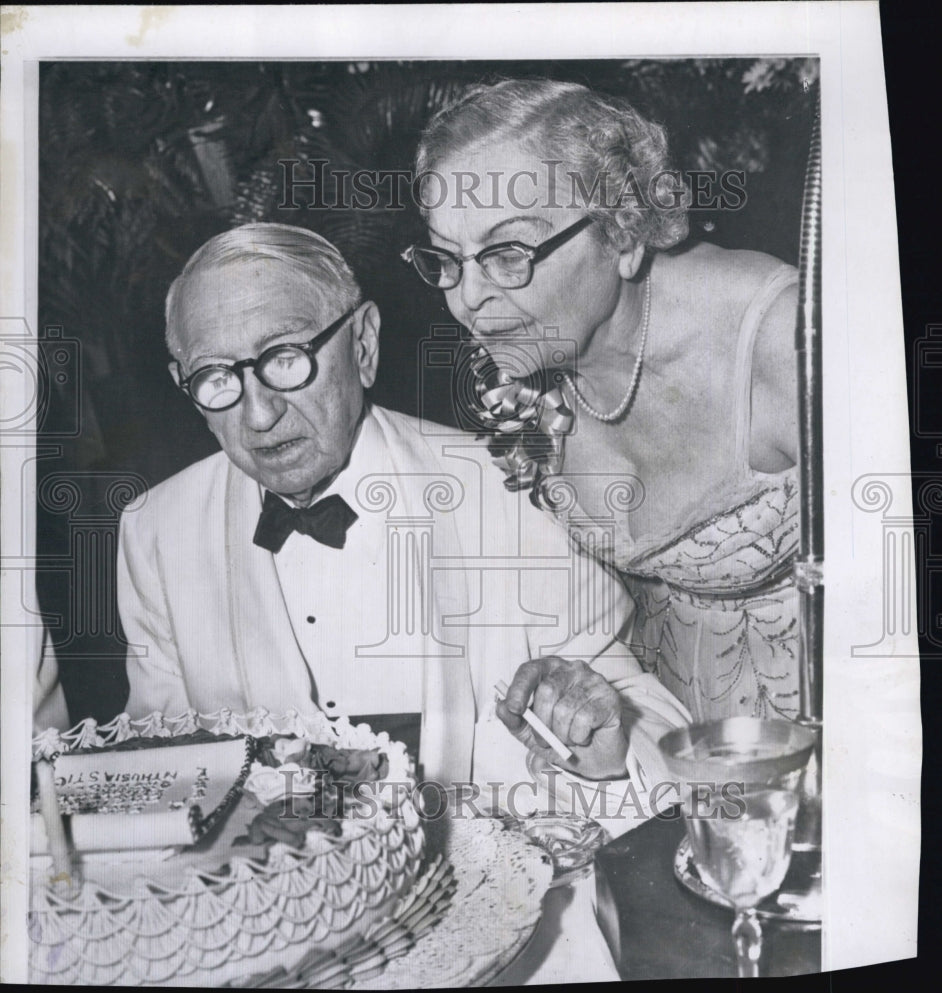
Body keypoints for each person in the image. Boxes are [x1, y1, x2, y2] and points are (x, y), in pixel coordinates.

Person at [110, 222, 690, 826]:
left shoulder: (512, 490)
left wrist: (603, 757)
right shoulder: (158, 530)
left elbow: (645, 728)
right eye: (216, 378)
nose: (258, 415)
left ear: (363, 345)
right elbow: (165, 767)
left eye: (285, 358)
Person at [405, 78, 802, 724]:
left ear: (623, 232)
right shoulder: (518, 363)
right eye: (448, 259)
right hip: (654, 733)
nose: (468, 299)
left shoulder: (780, 341)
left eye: (508, 253)